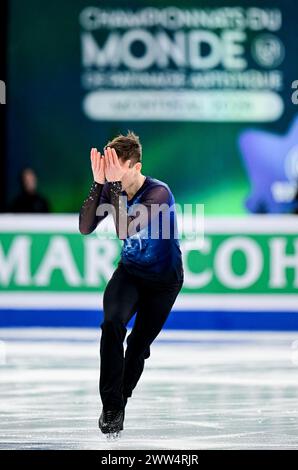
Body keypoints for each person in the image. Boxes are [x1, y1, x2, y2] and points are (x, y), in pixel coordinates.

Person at [79, 131, 184, 436]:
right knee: (112, 324)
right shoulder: (113, 185)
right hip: (130, 274)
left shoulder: (159, 193)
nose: (115, 179)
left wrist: (110, 185)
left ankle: (120, 398)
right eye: (111, 173)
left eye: (119, 172)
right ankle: (111, 408)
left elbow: (125, 227)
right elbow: (86, 227)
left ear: (136, 168)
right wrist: (100, 183)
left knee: (137, 347)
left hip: (163, 283)